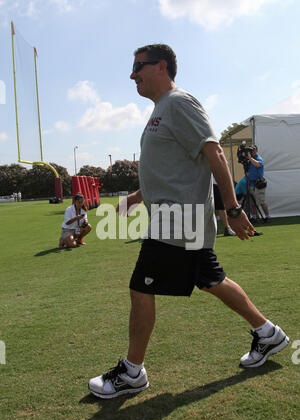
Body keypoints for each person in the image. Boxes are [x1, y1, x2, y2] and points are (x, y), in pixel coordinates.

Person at [88, 44, 289, 399]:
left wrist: (233, 207)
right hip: (177, 217)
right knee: (211, 279)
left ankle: (132, 372)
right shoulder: (161, 110)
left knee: (141, 286)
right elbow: (169, 168)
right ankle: (267, 333)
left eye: (138, 66)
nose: (132, 74)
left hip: (179, 218)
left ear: (161, 66)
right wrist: (136, 197)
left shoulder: (179, 103)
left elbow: (214, 154)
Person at [247, 145, 270, 222]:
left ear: (256, 150)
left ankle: (267, 216)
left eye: (253, 150)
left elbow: (258, 164)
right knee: (253, 202)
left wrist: (250, 158)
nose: (252, 151)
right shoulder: (250, 160)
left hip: (259, 183)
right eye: (251, 150)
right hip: (251, 184)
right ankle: (253, 217)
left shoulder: (258, 158)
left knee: (261, 201)